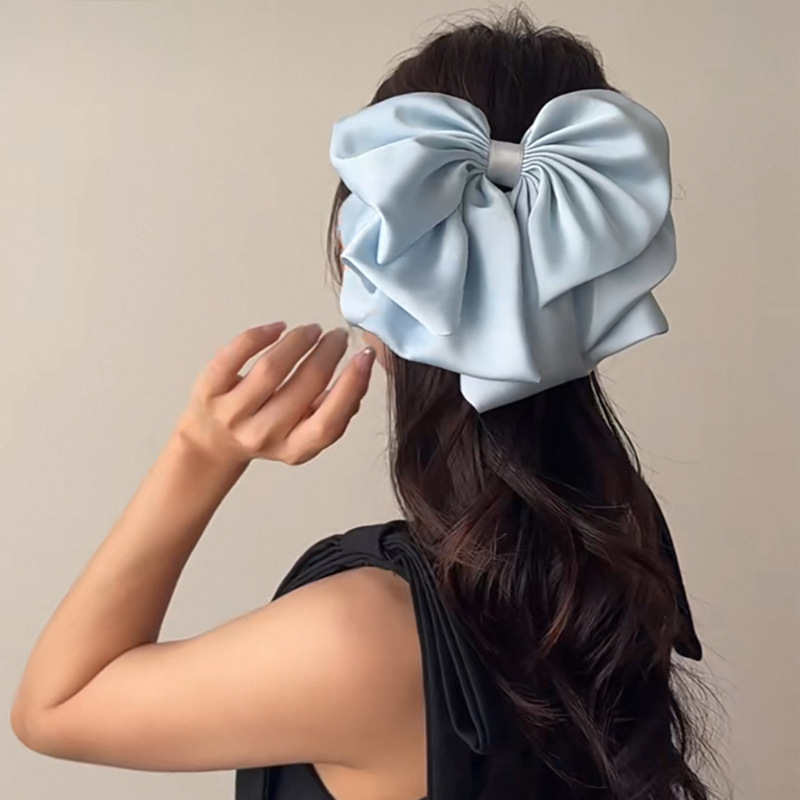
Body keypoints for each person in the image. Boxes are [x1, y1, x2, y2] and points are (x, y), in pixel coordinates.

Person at [10, 8, 715, 800]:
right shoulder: (620, 565)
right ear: (607, 273)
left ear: (367, 266)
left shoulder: (359, 640)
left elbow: (54, 707)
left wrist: (199, 453)